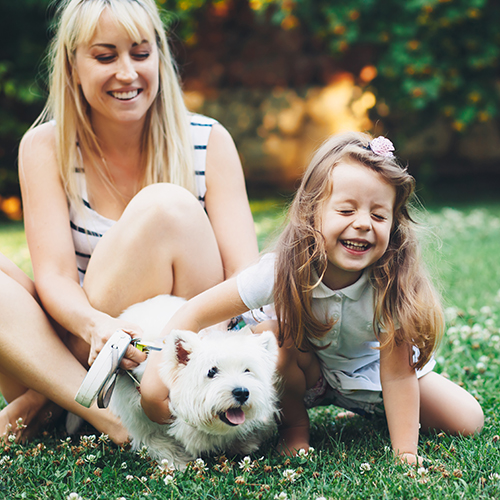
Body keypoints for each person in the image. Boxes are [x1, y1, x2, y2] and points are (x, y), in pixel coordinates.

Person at [140, 132, 484, 465]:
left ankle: (373, 411)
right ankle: (295, 428)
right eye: (346, 211)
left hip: (366, 376)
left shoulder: (391, 282)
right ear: (312, 213)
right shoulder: (281, 270)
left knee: (468, 420)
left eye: (379, 215)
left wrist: (406, 453)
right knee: (273, 335)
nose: (364, 224)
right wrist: (154, 383)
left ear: (393, 225)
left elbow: (396, 375)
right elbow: (195, 312)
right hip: (304, 373)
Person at [2, 0, 258, 441]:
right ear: (72, 66)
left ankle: (45, 401)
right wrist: (97, 327)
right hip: (87, 345)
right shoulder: (44, 146)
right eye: (105, 56)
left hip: (174, 361)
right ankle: (108, 419)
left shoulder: (208, 141)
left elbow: (244, 278)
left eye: (141, 54)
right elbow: (56, 277)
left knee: (165, 208)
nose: (127, 73)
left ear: (160, 57)